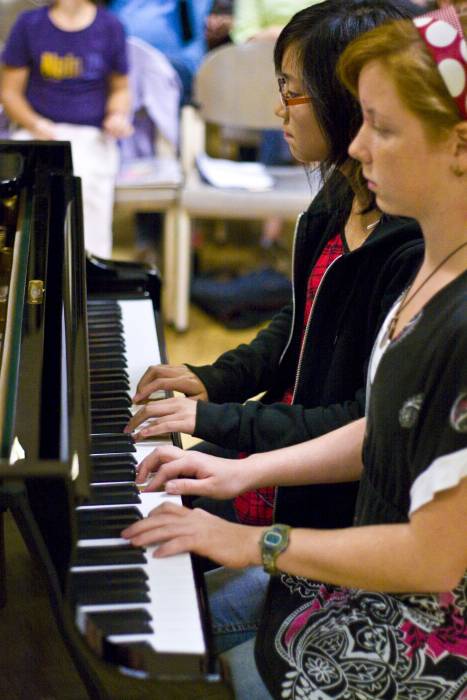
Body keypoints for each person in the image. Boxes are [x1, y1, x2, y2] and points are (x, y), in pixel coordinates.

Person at [122, 4, 467, 698]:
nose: (359, 147)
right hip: (360, 568)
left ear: (458, 144)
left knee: (178, 662)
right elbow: (385, 422)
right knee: (162, 618)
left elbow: (431, 560)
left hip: (425, 627)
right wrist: (239, 473)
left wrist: (258, 541)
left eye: (383, 126)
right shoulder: (436, 265)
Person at [126, 0, 424, 531]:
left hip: (320, 503)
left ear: (346, 99)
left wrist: (219, 418)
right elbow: (301, 319)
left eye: (291, 89)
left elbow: (362, 423)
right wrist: (216, 380)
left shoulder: (412, 247)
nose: (279, 109)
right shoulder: (343, 191)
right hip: (279, 445)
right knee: (139, 497)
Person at [0, 0, 133, 259]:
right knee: (28, 187)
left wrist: (116, 115)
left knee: (87, 178)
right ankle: (27, 268)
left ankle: (89, 268)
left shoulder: (110, 26)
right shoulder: (29, 24)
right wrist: (36, 124)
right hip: (37, 131)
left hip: (91, 134)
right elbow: (9, 93)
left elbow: (120, 88)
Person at [106, 0, 212, 263]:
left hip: (176, 70)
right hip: (118, 68)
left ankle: (171, 238)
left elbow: (197, 33)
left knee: (162, 127)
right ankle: (149, 238)